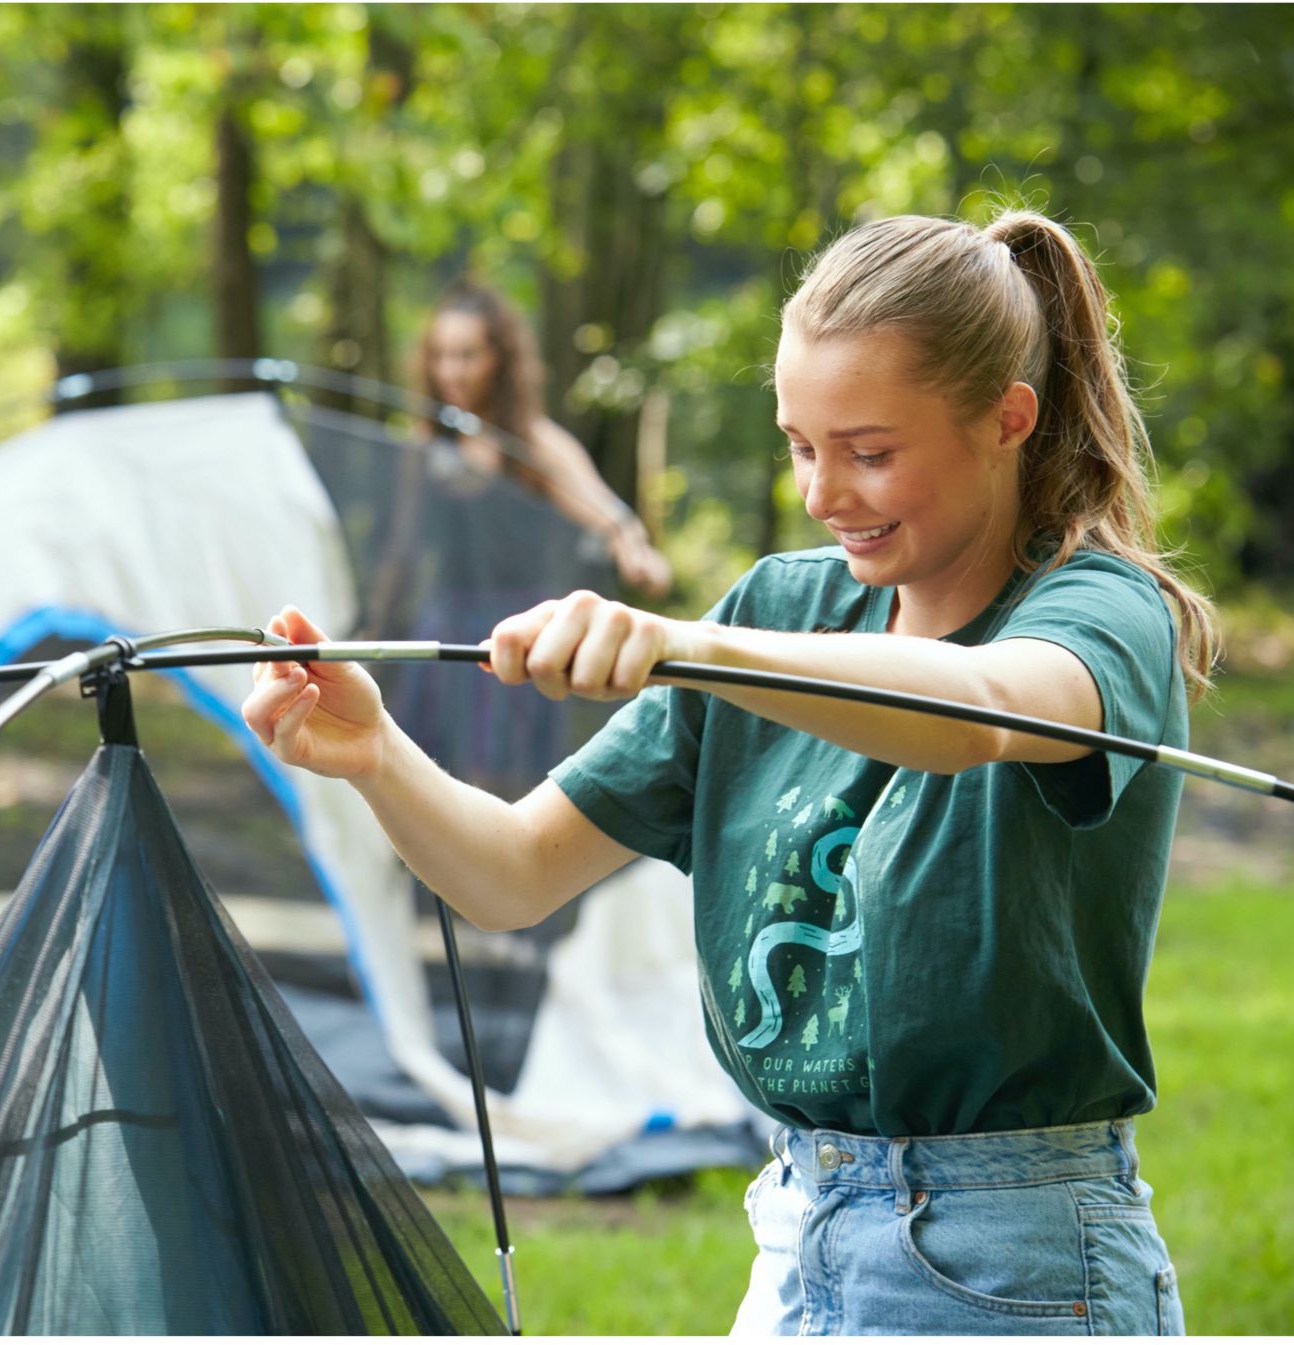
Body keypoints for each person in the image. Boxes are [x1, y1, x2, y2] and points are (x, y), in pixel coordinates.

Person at [244, 210, 1217, 1335]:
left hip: (1014, 1252)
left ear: (1006, 420)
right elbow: (510, 875)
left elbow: (983, 710)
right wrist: (374, 758)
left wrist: (690, 648)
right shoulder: (776, 611)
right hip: (797, 1232)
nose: (820, 493)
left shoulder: (1097, 610)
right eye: (799, 445)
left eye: (868, 450)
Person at [416, 279, 672, 597]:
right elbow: (397, 548)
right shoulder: (425, 441)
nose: (450, 372)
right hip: (443, 615)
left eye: (467, 356)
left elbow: (605, 512)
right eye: (439, 356)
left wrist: (636, 553)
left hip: (519, 617)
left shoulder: (531, 441)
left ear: (500, 358)